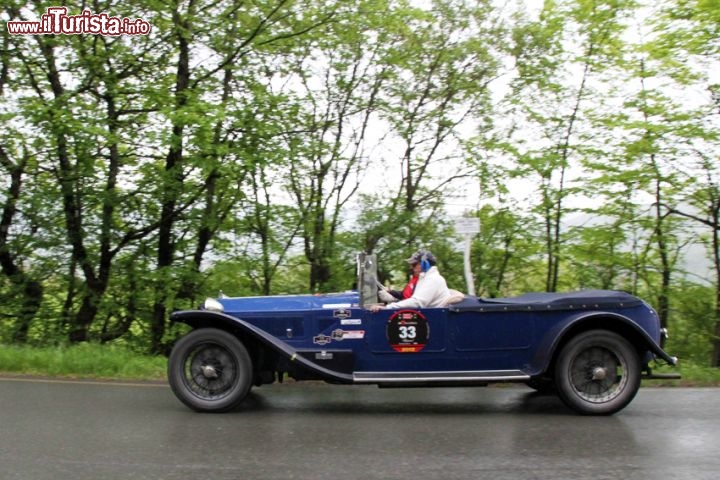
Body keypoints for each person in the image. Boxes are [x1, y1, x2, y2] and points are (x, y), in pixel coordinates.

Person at [371, 250, 451, 311]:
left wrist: (387, 307)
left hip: (433, 319)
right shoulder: (424, 278)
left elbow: (417, 302)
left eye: (414, 264)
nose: (411, 268)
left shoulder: (432, 279)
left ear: (424, 264)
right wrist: (391, 292)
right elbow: (410, 296)